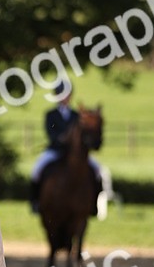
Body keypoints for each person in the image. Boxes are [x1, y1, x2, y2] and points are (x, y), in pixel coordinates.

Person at [29, 80, 102, 211]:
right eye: (62, 94)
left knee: (97, 170)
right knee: (36, 170)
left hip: (73, 153)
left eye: (67, 94)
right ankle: (36, 202)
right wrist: (62, 141)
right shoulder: (51, 114)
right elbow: (51, 134)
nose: (65, 97)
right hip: (55, 150)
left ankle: (93, 205)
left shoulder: (76, 115)